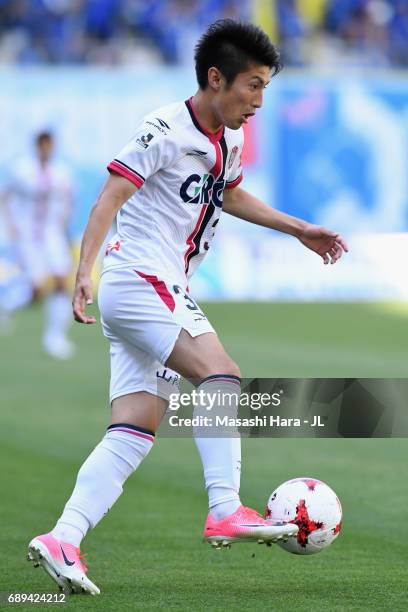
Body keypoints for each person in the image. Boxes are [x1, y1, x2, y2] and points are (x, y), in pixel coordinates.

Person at [27, 19, 348, 595]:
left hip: (155, 286)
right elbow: (111, 195)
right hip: (142, 279)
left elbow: (228, 191)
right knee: (220, 373)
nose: (258, 100)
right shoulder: (165, 129)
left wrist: (298, 227)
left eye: (266, 88)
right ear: (215, 78)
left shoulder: (228, 137)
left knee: (134, 428)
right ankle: (224, 506)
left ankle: (63, 538)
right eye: (252, 85)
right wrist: (83, 272)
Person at [1, 131, 74, 359]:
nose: (46, 149)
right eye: (43, 145)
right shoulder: (23, 169)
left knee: (62, 279)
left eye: (49, 145)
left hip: (51, 234)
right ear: (37, 146)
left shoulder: (61, 172)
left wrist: (64, 225)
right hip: (29, 236)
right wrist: (11, 224)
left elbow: (68, 200)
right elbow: (5, 195)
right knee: (37, 288)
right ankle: (7, 305)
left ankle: (55, 336)